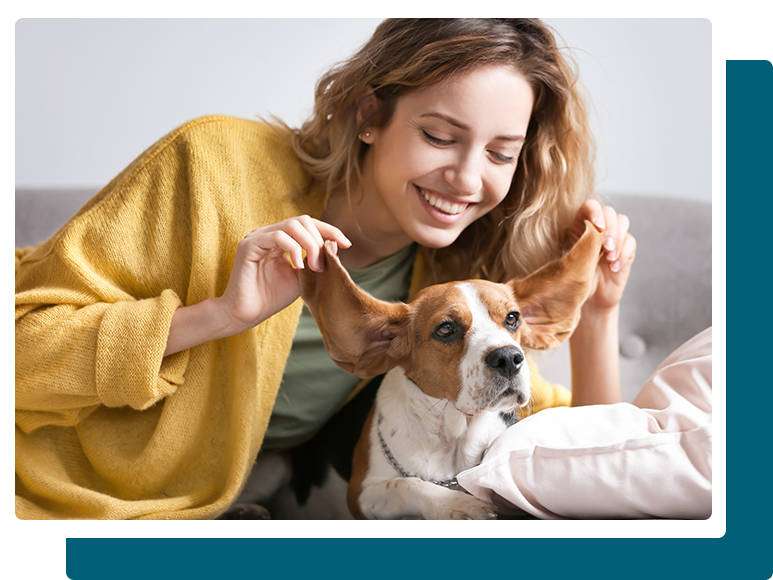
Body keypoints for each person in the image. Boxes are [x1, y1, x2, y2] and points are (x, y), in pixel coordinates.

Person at [14, 18, 635, 520]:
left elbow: (587, 452)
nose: (469, 179)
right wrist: (217, 316)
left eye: (501, 153)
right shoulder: (211, 165)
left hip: (221, 512)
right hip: (39, 487)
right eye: (440, 137)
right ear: (369, 115)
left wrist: (599, 311)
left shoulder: (456, 284)